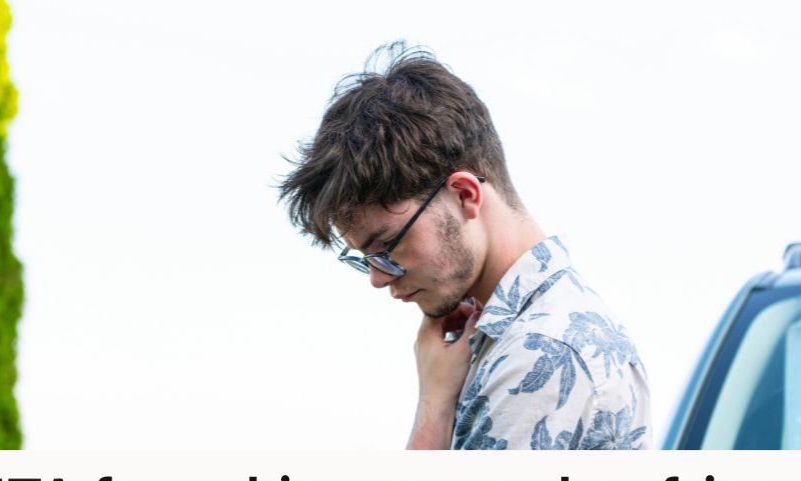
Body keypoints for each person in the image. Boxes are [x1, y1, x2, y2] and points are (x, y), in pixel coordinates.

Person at [278, 43, 650, 450]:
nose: (378, 278)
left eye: (386, 245)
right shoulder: (527, 330)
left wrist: (433, 407)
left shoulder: (538, 354)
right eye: (363, 259)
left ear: (465, 194)